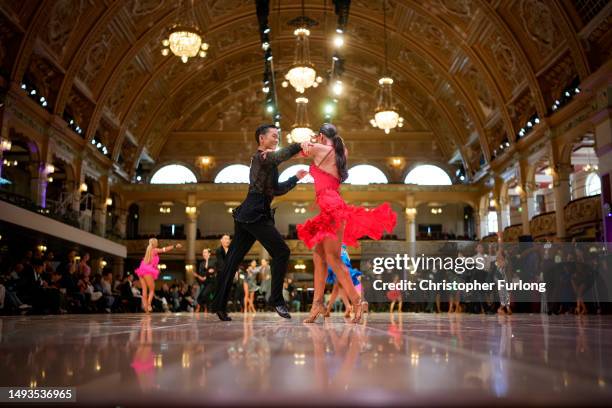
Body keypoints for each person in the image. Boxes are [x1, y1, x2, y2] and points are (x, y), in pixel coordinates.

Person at [298, 123, 396, 323]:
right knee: (319, 256)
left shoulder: (323, 149)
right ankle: (318, 303)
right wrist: (312, 141)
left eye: (319, 136)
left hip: (332, 209)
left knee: (333, 258)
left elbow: (295, 152)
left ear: (322, 136)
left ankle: (358, 301)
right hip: (330, 207)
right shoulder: (339, 151)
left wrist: (306, 141)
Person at [212, 124, 307, 321]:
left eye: (278, 136)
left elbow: (276, 190)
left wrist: (295, 178)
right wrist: (299, 145)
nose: (277, 138)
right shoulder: (261, 157)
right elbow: (278, 156)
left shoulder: (269, 162)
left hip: (251, 212)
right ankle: (276, 299)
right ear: (261, 139)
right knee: (282, 252)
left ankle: (219, 306)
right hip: (254, 212)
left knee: (232, 260)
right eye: (273, 136)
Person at [134, 238, 182, 313]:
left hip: (141, 271)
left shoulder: (148, 251)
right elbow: (164, 249)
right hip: (147, 271)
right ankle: (149, 304)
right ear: (154, 244)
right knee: (152, 290)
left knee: (144, 290)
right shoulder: (154, 250)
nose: (158, 243)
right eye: (157, 242)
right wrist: (175, 246)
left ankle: (146, 308)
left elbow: (152, 263)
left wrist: (156, 268)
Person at [323, 244, 362, 318]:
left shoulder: (334, 239)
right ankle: (329, 309)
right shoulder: (343, 242)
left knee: (338, 285)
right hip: (344, 256)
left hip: (337, 257)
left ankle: (350, 305)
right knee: (337, 286)